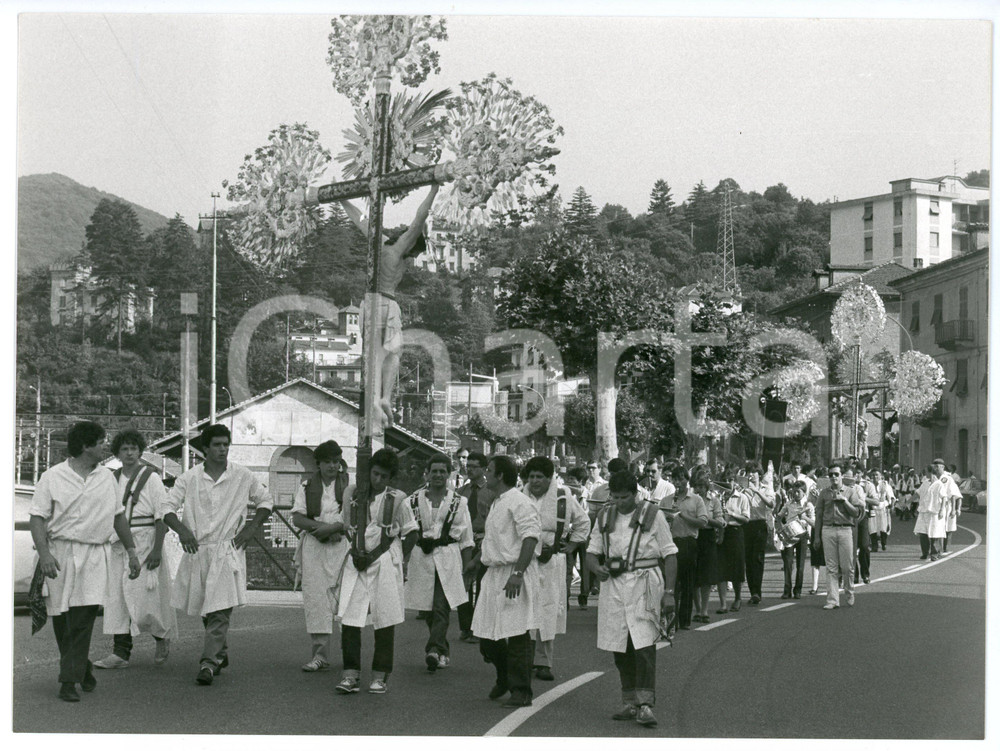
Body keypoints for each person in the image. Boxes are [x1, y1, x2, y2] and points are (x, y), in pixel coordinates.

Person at [29, 421, 139, 702]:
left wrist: (132, 551)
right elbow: (37, 518)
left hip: (94, 556)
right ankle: (83, 668)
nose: (106, 446)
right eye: (101, 442)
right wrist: (45, 554)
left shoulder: (107, 478)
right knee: (62, 619)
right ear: (86, 446)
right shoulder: (52, 477)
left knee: (82, 619)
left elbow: (118, 517)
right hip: (59, 554)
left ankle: (68, 680)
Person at [162, 424, 273, 686]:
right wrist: (182, 531)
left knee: (220, 608)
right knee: (206, 607)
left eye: (225, 444)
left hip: (227, 548)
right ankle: (220, 652)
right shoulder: (189, 478)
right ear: (205, 448)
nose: (222, 449)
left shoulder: (242, 475)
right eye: (217, 445)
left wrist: (250, 529)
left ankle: (208, 662)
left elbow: (266, 501)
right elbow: (166, 507)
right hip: (198, 549)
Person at [340, 185, 439, 427]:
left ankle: (380, 398)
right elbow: (419, 218)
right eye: (414, 253)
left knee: (380, 354)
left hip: (371, 303)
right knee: (387, 353)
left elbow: (360, 220)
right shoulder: (399, 248)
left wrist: (343, 201)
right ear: (410, 243)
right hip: (384, 301)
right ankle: (379, 398)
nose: (412, 258)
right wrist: (434, 190)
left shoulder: (380, 243)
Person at [587, 471, 677, 728]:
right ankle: (629, 702)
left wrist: (669, 593)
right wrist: (596, 568)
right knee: (620, 646)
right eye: (614, 497)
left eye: (624, 497)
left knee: (644, 645)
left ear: (635, 494)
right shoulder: (605, 516)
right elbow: (592, 552)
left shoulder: (653, 514)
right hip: (614, 586)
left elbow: (670, 554)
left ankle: (645, 705)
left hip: (644, 584)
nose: (619, 502)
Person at [335, 448, 419, 694]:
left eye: (384, 476)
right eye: (375, 474)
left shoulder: (398, 500)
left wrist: (399, 559)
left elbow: (412, 532)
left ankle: (380, 675)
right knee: (350, 617)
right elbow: (346, 525)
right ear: (368, 471)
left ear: (390, 477)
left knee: (385, 618)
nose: (378, 480)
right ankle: (350, 674)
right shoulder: (353, 495)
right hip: (357, 561)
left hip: (384, 562)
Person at [94, 429, 175, 670]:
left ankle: (161, 637)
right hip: (118, 543)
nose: (129, 453)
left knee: (146, 599)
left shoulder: (151, 477)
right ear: (117, 453)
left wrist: (157, 549)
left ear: (140, 451)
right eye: (124, 449)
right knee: (117, 598)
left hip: (146, 541)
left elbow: (162, 514)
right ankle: (120, 653)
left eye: (133, 448)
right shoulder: (112, 477)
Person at [467, 455, 541, 708]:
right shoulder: (497, 502)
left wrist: (517, 574)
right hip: (493, 573)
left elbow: (530, 538)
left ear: (500, 475)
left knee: (516, 633)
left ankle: (521, 691)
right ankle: (504, 677)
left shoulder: (520, 502)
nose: (485, 474)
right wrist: (475, 561)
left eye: (489, 470)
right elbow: (493, 540)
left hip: (514, 572)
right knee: (487, 638)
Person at [522, 456, 590, 682]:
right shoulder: (519, 496)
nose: (534, 481)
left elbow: (583, 522)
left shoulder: (563, 496)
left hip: (551, 561)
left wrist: (571, 545)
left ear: (550, 478)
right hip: (525, 560)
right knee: (524, 607)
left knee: (548, 609)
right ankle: (524, 658)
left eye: (539, 477)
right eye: (531, 476)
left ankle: (543, 661)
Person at [404, 454, 474, 673]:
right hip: (422, 559)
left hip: (447, 558)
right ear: (427, 473)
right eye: (434, 471)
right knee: (428, 608)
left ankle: (433, 649)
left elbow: (466, 538)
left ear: (449, 474)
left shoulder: (459, 502)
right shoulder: (412, 501)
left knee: (441, 605)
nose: (438, 475)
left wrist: (467, 568)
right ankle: (443, 651)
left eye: (442, 471)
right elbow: (404, 532)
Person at [290, 440, 351, 672]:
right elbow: (298, 518)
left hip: (342, 546)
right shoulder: (307, 486)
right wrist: (322, 529)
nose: (332, 466)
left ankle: (350, 655)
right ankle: (320, 655)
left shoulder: (350, 487)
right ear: (319, 464)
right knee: (316, 600)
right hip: (315, 547)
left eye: (336, 461)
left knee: (346, 599)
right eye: (327, 462)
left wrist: (335, 528)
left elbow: (356, 516)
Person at [456, 451, 496, 642]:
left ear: (484, 469)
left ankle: (478, 627)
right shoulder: (461, 492)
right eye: (468, 466)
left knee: (482, 584)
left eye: (474, 467)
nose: (469, 469)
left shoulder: (491, 492)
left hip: (484, 540)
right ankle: (465, 626)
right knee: (463, 584)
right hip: (464, 541)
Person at [813, 465, 865, 610]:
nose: (833, 477)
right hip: (828, 529)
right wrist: (817, 536)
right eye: (831, 475)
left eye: (836, 474)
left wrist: (844, 501)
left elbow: (856, 513)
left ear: (841, 475)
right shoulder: (824, 493)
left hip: (845, 529)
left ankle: (849, 591)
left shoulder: (850, 491)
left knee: (847, 566)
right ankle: (832, 600)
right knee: (831, 567)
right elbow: (818, 515)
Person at [662, 465, 707, 630]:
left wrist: (682, 515)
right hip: (670, 542)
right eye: (675, 479)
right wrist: (667, 519)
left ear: (687, 480)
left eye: (681, 479)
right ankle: (671, 619)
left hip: (688, 542)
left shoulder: (696, 499)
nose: (677, 482)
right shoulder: (666, 500)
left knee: (687, 583)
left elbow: (703, 522)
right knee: (671, 582)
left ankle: (685, 619)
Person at [691, 467, 724, 623]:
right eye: (696, 486)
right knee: (693, 575)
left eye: (701, 486)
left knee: (706, 576)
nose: (699, 489)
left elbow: (720, 522)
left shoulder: (714, 501)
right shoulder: (690, 500)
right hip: (693, 536)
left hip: (707, 537)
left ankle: (704, 610)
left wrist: (705, 519)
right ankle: (697, 609)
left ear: (706, 487)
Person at [743, 464, 775, 606]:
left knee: (758, 558)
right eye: (749, 472)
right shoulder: (743, 488)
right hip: (746, 524)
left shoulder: (765, 488)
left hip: (760, 524)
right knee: (748, 559)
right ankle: (753, 592)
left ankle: (757, 591)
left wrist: (757, 491)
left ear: (759, 474)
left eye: (753, 472)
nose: (751, 475)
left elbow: (771, 504)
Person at [777, 481, 814, 599]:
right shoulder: (789, 503)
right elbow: (779, 516)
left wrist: (805, 518)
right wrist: (779, 527)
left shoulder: (808, 505)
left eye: (798, 492)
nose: (796, 494)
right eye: (794, 491)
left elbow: (814, 523)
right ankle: (787, 590)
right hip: (789, 535)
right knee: (788, 563)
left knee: (800, 564)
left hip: (802, 535)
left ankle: (798, 590)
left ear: (804, 492)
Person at [716, 481, 750, 613]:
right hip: (721, 531)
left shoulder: (742, 497)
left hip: (735, 531)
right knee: (721, 568)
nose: (727, 486)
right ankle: (723, 604)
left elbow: (746, 519)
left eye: (730, 482)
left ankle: (738, 597)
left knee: (736, 566)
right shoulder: (717, 496)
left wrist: (732, 514)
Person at [563, 466, 593, 609]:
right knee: (568, 566)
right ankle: (566, 596)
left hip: (584, 533)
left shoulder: (589, 494)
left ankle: (584, 597)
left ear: (580, 481)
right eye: (568, 479)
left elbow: (588, 515)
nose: (569, 482)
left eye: (572, 479)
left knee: (585, 566)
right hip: (569, 533)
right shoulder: (566, 493)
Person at [926, 458, 962, 560]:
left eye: (938, 466)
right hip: (935, 506)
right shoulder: (934, 479)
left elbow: (953, 494)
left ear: (942, 467)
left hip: (945, 505)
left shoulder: (946, 479)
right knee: (937, 528)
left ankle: (939, 550)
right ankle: (937, 550)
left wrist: (954, 509)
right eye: (934, 466)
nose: (936, 468)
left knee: (941, 528)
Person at [868, 469, 894, 553]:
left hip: (882, 508)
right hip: (872, 508)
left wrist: (890, 506)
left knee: (883, 527)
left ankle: (883, 543)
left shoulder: (885, 485)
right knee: (872, 528)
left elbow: (890, 497)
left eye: (876, 475)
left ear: (880, 476)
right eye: (873, 475)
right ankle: (874, 546)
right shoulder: (869, 485)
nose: (875, 477)